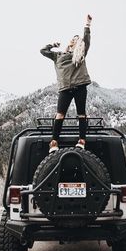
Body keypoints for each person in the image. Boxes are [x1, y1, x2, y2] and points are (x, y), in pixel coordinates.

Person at [40, 14, 92, 153]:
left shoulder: (80, 54)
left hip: (80, 86)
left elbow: (86, 40)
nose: (75, 40)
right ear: (70, 42)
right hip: (65, 88)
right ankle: (54, 141)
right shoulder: (58, 56)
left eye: (77, 39)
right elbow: (42, 51)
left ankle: (82, 140)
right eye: (73, 39)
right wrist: (53, 45)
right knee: (60, 114)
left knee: (81, 114)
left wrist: (87, 25)